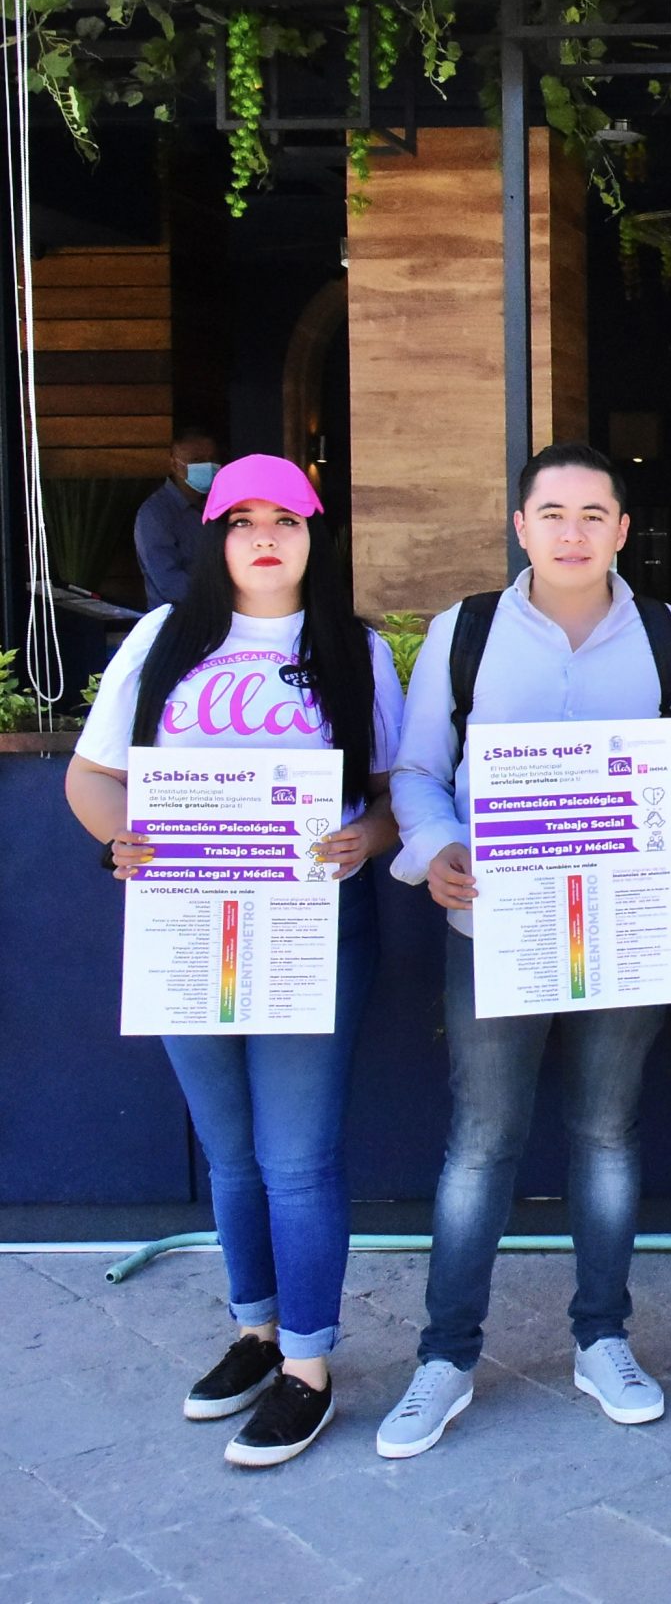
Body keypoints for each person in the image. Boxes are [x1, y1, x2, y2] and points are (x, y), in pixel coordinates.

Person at [374, 442, 671, 1458]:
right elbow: (418, 771)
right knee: (483, 1138)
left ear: (623, 530)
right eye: (553, 513)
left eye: (593, 514)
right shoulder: (466, 631)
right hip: (496, 925)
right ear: (521, 526)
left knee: (607, 1133)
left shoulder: (663, 632)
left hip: (623, 925)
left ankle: (602, 1338)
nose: (573, 532)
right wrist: (436, 849)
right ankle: (445, 1356)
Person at [65, 454, 403, 1467]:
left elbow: (394, 792)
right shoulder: (163, 638)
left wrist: (366, 836)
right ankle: (255, 1330)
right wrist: (121, 839)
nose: (265, 536)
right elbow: (92, 776)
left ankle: (308, 1363)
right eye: (242, 519)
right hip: (188, 927)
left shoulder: (353, 648)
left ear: (313, 533)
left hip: (311, 930)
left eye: (286, 518)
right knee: (230, 1151)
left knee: (297, 1155)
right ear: (213, 536)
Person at [135, 426, 222, 610]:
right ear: (175, 465)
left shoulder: (221, 506)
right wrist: (221, 600)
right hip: (178, 618)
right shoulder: (155, 514)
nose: (207, 466)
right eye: (197, 460)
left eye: (212, 459)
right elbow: (169, 581)